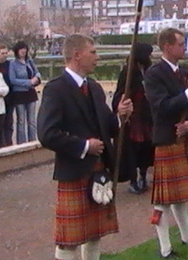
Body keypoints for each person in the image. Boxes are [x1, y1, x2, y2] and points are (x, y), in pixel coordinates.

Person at [37, 34, 133, 260]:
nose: (97, 58)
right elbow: (47, 134)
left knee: (94, 233)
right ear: (77, 55)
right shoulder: (56, 89)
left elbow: (107, 126)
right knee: (69, 239)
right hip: (74, 171)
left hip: (98, 170)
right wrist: (83, 146)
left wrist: (120, 117)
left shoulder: (95, 88)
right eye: (93, 52)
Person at [144, 28, 188, 259]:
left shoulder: (186, 72)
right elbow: (162, 107)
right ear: (167, 46)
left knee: (178, 195)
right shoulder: (154, 74)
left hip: (183, 137)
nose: (184, 48)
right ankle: (165, 248)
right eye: (180, 44)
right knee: (163, 199)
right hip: (167, 139)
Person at [112, 43, 154, 194]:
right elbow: (119, 94)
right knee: (132, 151)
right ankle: (133, 181)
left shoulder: (148, 70)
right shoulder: (128, 72)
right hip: (133, 117)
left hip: (146, 116)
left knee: (145, 149)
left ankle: (143, 176)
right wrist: (121, 106)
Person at [8, 40, 41, 143]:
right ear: (17, 51)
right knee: (21, 120)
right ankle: (21, 142)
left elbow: (37, 72)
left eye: (25, 49)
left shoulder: (29, 62)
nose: (23, 51)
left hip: (30, 93)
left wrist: (36, 78)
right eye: (21, 49)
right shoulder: (13, 64)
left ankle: (32, 141)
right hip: (19, 94)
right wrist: (28, 82)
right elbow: (13, 80)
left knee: (31, 120)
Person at [0, 43, 14, 146]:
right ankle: (1, 144)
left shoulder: (10, 64)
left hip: (10, 98)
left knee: (9, 123)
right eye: (2, 53)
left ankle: (9, 143)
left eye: (6, 53)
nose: (5, 55)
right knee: (0, 124)